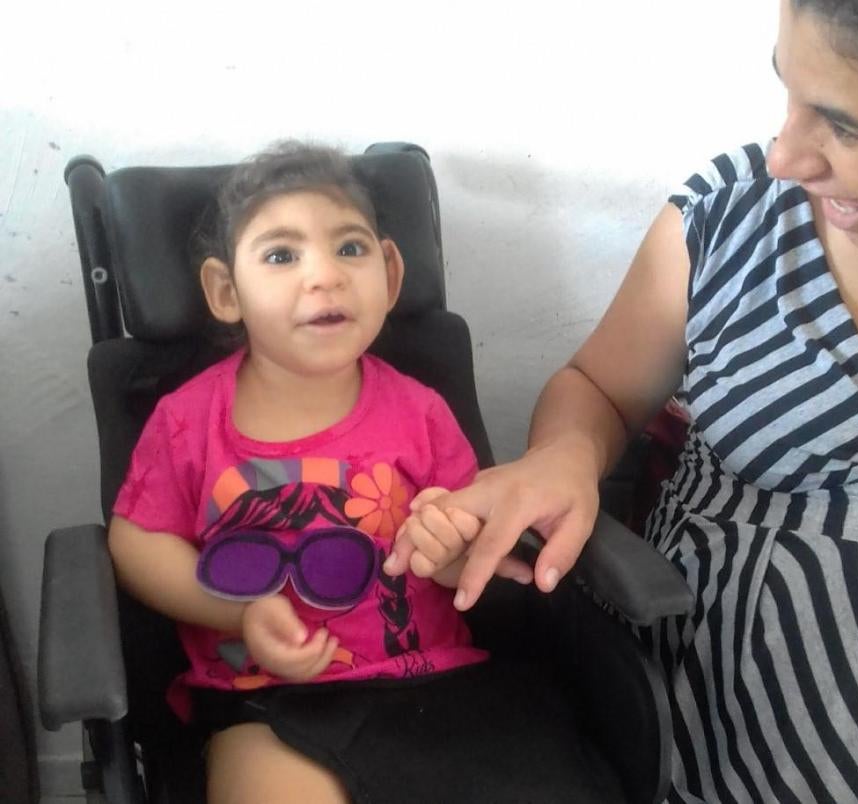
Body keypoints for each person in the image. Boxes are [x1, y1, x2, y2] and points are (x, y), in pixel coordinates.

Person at [391, 1, 858, 800]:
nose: (785, 155)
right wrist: (564, 458)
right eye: (787, 90)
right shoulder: (735, 216)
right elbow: (600, 389)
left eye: (843, 127)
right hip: (718, 714)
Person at [107, 142, 622, 804]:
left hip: (432, 683)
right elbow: (137, 541)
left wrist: (448, 549)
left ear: (391, 272)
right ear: (226, 292)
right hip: (267, 700)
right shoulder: (188, 422)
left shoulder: (421, 413)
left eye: (349, 248)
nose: (324, 275)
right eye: (281, 255)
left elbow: (468, 549)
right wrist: (236, 613)